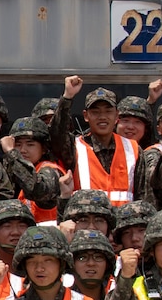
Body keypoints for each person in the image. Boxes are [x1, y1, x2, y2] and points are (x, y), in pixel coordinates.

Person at [50, 77, 138, 208]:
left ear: (117, 116)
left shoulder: (133, 149)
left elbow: (144, 194)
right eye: (96, 112)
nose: (102, 117)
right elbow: (56, 134)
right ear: (85, 116)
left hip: (123, 226)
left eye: (108, 111)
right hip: (87, 225)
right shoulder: (74, 148)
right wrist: (67, 97)